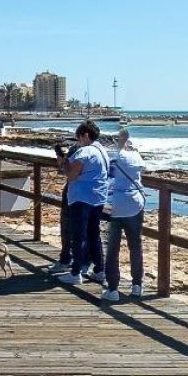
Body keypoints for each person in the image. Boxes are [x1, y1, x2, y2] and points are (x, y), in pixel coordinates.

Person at [54, 121, 109, 285]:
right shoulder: (102, 151)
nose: (78, 141)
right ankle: (100, 269)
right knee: (94, 234)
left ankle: (76, 272)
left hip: (81, 198)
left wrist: (64, 163)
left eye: (79, 137)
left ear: (85, 135)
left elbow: (72, 175)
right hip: (98, 197)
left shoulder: (84, 152)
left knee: (79, 235)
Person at [102, 129, 147, 301]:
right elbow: (142, 168)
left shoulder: (116, 156)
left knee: (113, 248)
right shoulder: (136, 156)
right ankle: (137, 285)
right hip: (135, 204)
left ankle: (113, 289)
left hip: (117, 205)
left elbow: (109, 175)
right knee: (135, 245)